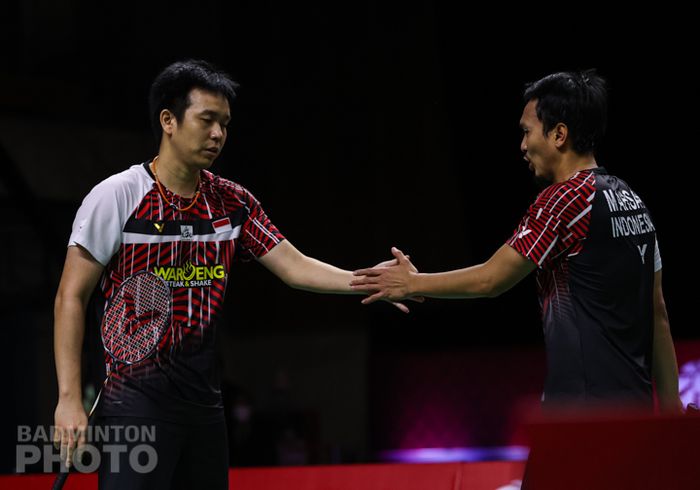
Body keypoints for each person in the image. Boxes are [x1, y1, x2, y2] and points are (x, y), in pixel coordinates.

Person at [52, 59, 414, 489]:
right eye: (207, 120)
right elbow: (70, 297)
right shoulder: (117, 197)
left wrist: (370, 280)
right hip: (136, 404)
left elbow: (294, 266)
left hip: (205, 408)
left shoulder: (231, 203)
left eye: (224, 123)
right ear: (168, 120)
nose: (218, 134)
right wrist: (70, 398)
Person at [351, 69, 682, 412]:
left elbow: (491, 279)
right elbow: (657, 313)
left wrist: (411, 283)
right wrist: (671, 410)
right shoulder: (633, 201)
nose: (522, 146)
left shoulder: (565, 200)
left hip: (581, 417)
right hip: (636, 414)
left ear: (559, 134)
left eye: (527, 132)